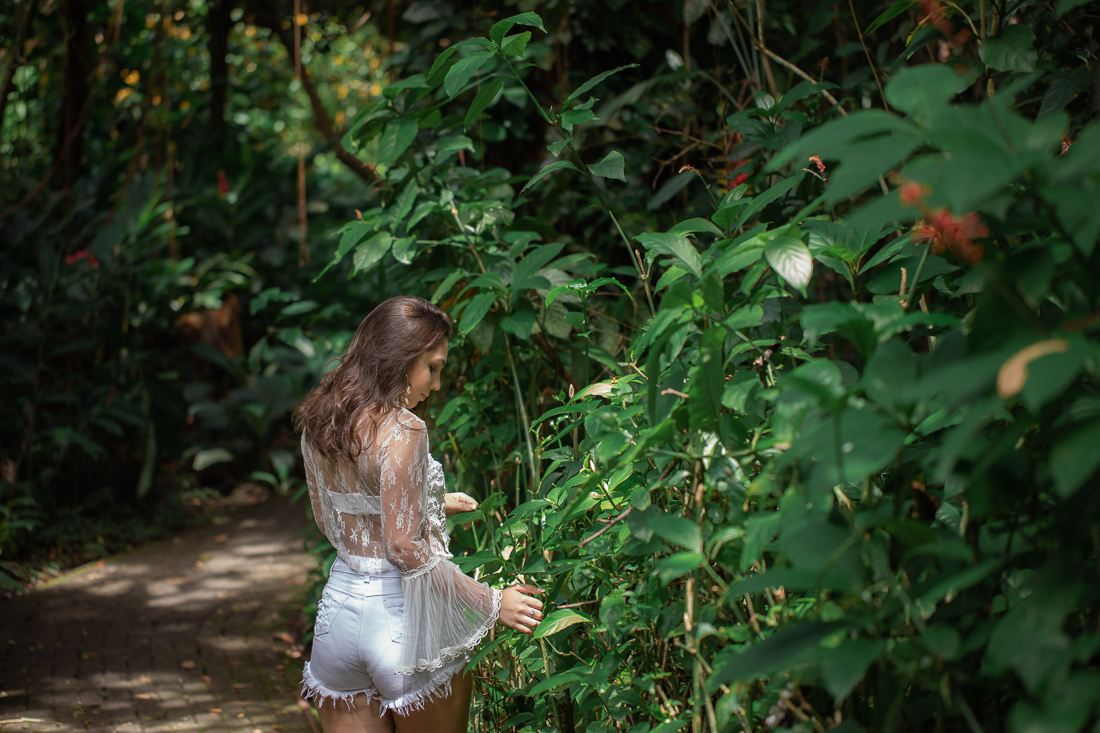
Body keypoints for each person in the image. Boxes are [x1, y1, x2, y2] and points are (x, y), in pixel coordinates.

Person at [293, 295, 544, 733]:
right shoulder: (403, 428)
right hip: (405, 626)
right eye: (434, 367)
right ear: (398, 358)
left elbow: (333, 519)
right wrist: (491, 601)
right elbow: (403, 546)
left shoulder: (320, 419)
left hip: (338, 621)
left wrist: (428, 501)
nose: (437, 383)